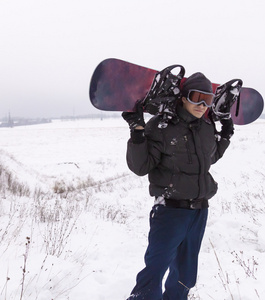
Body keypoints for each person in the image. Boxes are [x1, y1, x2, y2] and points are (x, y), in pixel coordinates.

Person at [122, 72, 234, 300]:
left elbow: (208, 158)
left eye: (208, 100)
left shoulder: (205, 128)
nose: (203, 105)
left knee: (185, 274)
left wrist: (226, 134)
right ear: (184, 97)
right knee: (154, 272)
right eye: (197, 97)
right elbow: (141, 166)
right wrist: (137, 133)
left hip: (199, 211)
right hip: (170, 210)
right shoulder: (161, 126)